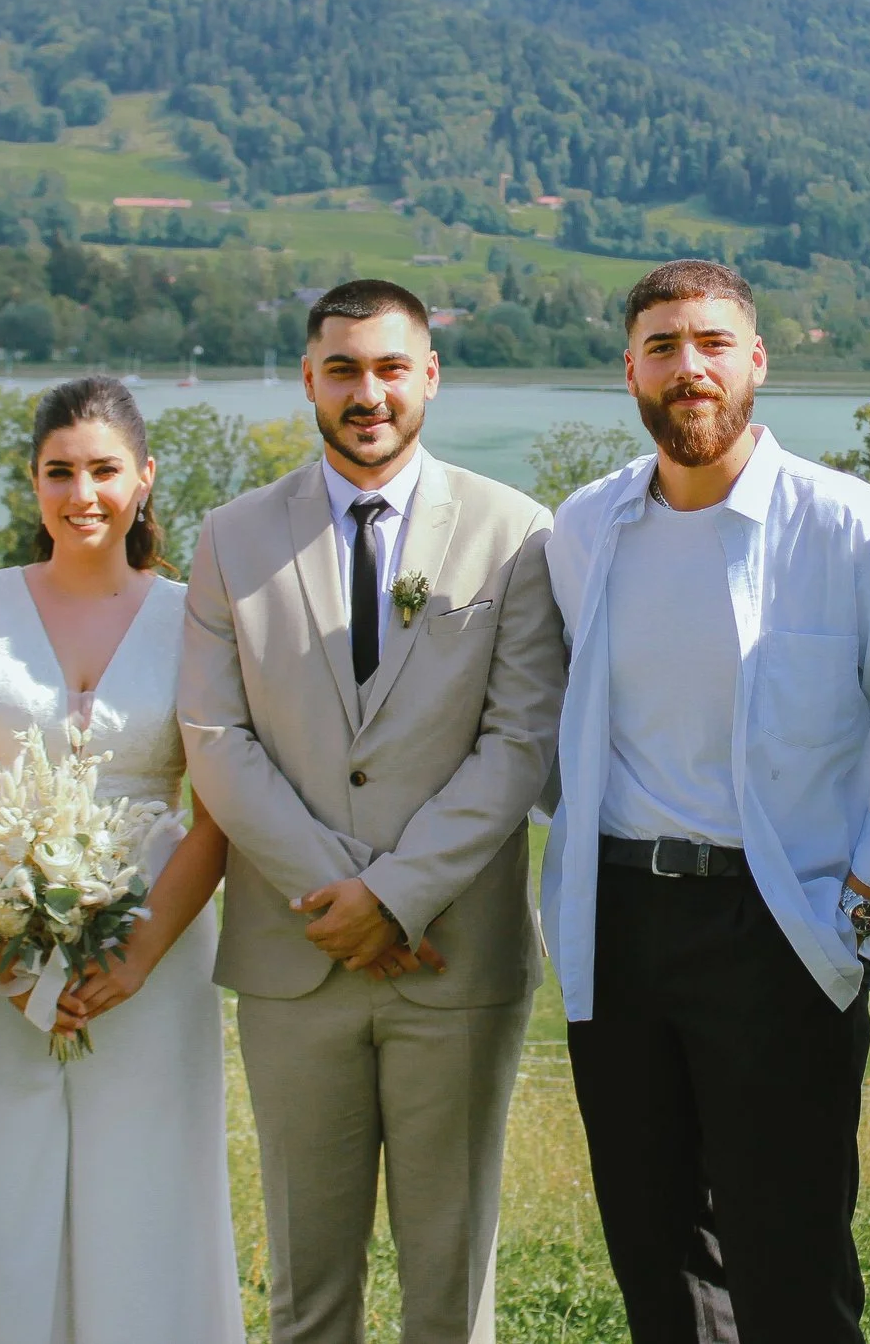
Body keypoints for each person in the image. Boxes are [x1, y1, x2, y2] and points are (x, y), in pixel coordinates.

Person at [541, 259, 870, 1344]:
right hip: (618, 924)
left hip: (781, 926)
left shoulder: (865, 536)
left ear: (756, 359)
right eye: (664, 346)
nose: (690, 368)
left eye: (713, 342)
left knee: (790, 1258)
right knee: (655, 1256)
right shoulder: (583, 530)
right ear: (629, 368)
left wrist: (860, 902)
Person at [179, 279, 566, 1344]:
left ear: (430, 376)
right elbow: (215, 740)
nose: (368, 392)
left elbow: (519, 741)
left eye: (391, 367)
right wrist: (336, 895)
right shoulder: (230, 537)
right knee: (307, 1286)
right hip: (296, 957)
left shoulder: (516, 532)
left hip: (454, 956)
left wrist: (393, 897)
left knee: (451, 1285)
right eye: (343, 368)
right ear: (308, 377)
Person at [0, 377, 246, 1344]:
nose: (82, 492)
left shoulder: (197, 614)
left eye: (104, 469)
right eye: (60, 472)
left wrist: (137, 954)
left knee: (145, 1182)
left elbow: (218, 808)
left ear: (144, 478)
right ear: (33, 483)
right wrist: (1, 928)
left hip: (155, 938)